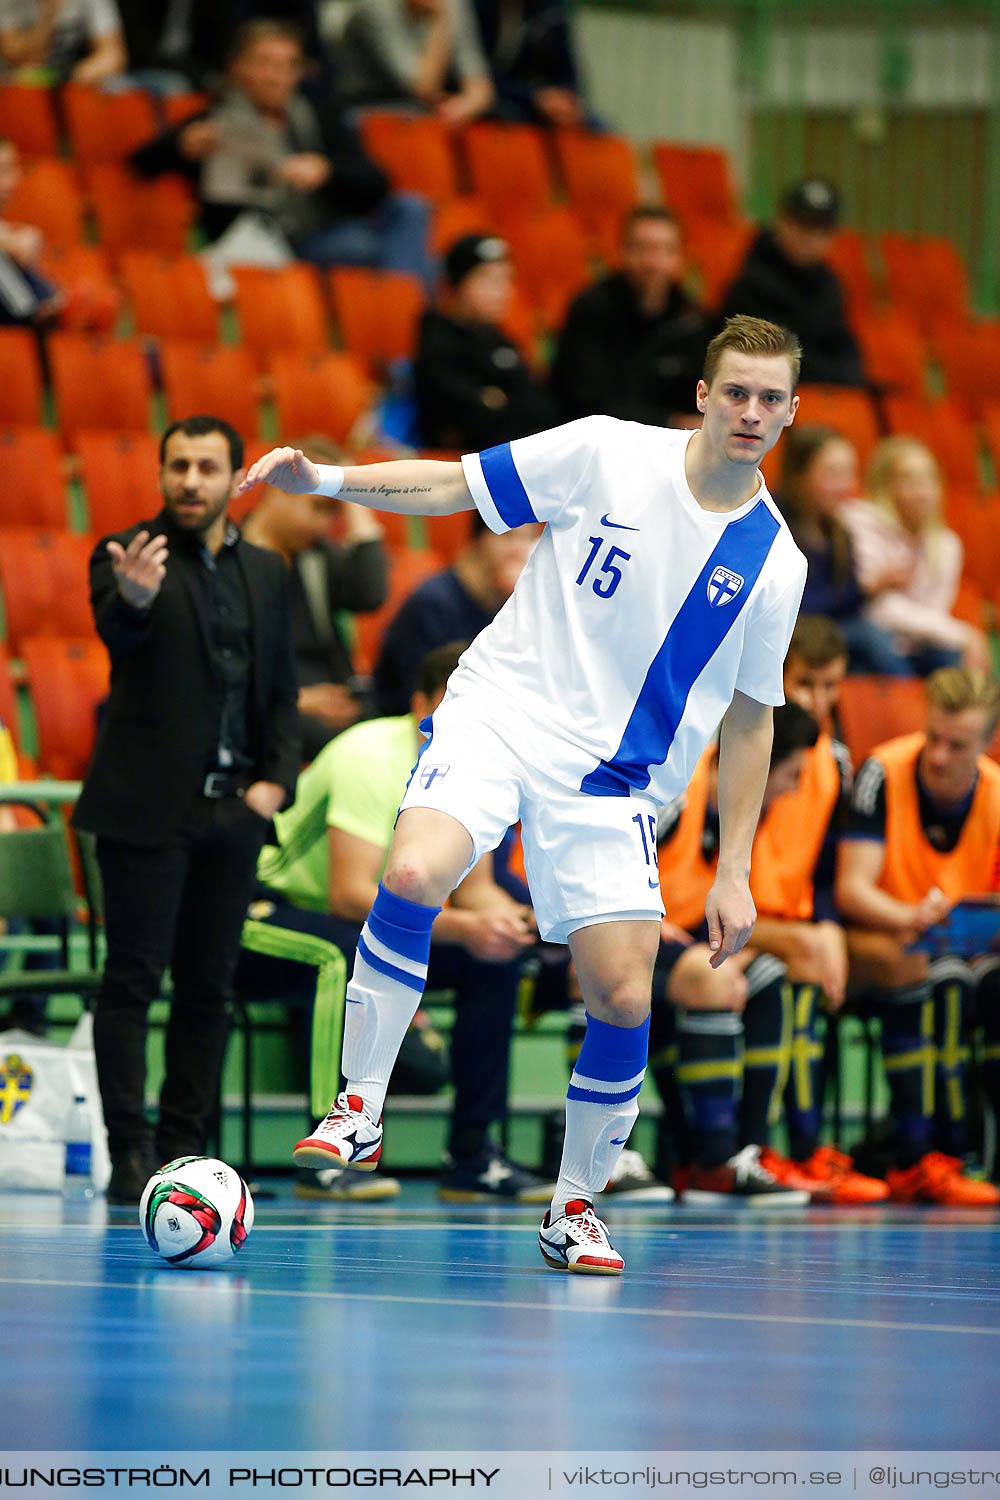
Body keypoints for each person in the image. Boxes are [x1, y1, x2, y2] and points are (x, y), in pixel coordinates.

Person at [241, 312, 808, 1276]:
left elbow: (752, 721)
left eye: (771, 397)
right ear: (705, 396)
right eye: (737, 392)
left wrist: (735, 869)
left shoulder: (774, 562)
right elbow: (455, 482)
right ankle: (358, 1110)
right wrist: (328, 480)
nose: (751, 411)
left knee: (625, 994)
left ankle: (575, 1206)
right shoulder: (605, 451)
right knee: (416, 868)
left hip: (617, 779)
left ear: (791, 412)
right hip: (504, 708)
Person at [71, 415, 301, 1206]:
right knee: (131, 983)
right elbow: (117, 633)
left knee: (209, 988)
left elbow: (282, 695)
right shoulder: (128, 556)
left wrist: (274, 785)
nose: (190, 482)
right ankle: (128, 1155)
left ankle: (182, 1154)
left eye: (207, 467)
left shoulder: (268, 573)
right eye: (177, 466)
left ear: (236, 478)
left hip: (233, 814)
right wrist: (133, 604)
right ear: (162, 473)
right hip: (143, 812)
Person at [240, 640, 550, 1203]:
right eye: (452, 698)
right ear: (419, 704)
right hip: (271, 909)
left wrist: (524, 923)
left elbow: (476, 892)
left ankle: (472, 1156)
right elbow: (349, 895)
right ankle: (328, 1151)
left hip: (375, 919)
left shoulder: (479, 767)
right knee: (338, 953)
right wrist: (464, 928)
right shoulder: (369, 756)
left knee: (494, 962)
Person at [836, 666, 1000, 1206]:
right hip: (876, 942)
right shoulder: (882, 770)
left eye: (957, 745)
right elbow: (852, 889)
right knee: (936, 974)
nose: (938, 755)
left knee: (975, 978)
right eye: (933, 737)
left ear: (984, 743)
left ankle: (970, 1155)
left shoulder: (995, 793)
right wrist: (908, 916)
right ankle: (923, 1155)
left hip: (955, 950)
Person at [656, 701, 822, 1205]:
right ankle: (708, 1158)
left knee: (769, 973)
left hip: (684, 941)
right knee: (717, 981)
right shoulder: (677, 791)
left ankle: (745, 1151)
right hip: (623, 933)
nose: (794, 789)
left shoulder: (746, 817)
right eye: (789, 774)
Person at [130, 20, 432, 287]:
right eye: (265, 63)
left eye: (288, 66)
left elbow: (377, 182)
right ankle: (410, 323)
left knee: (410, 209)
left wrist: (326, 171)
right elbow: (141, 162)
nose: (277, 76)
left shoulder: (317, 115)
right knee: (368, 248)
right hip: (272, 242)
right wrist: (180, 145)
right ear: (238, 67)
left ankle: (407, 316)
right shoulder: (216, 120)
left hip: (329, 222)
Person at [241, 434, 389, 759]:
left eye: (333, 512)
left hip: (338, 705)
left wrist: (352, 489)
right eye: (318, 507)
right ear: (279, 489)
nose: (325, 524)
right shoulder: (231, 561)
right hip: (271, 710)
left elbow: (371, 593)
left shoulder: (314, 557)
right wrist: (300, 699)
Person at [840, 437, 990, 677]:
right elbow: (877, 610)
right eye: (908, 479)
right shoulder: (857, 523)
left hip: (916, 642)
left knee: (952, 659)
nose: (922, 489)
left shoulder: (947, 544)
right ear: (884, 484)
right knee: (878, 644)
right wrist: (964, 635)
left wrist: (958, 638)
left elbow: (934, 611)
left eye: (929, 478)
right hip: (864, 635)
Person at [552, 207, 711, 427]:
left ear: (680, 257)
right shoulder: (591, 310)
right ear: (622, 252)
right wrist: (671, 422)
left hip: (671, 447)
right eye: (643, 249)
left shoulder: (692, 319)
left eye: (666, 250)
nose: (653, 263)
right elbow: (588, 403)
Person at [374, 509, 539, 715]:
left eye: (528, 539)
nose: (519, 551)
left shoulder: (509, 605)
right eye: (508, 537)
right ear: (478, 539)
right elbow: (427, 695)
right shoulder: (433, 603)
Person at [777, 423, 911, 676]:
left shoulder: (839, 528)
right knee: (872, 637)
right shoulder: (775, 519)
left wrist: (869, 589)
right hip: (790, 633)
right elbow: (800, 604)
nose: (846, 485)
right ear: (798, 474)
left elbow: (846, 598)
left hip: (830, 632)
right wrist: (868, 588)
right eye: (832, 473)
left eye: (849, 473)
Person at [414, 232, 557, 451]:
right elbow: (463, 414)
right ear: (458, 283)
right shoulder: (436, 341)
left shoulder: (503, 342)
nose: (501, 291)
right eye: (488, 279)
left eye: (507, 280)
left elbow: (539, 407)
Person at [721, 178, 865, 389]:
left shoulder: (829, 284)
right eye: (803, 225)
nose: (811, 237)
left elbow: (845, 348)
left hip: (821, 396)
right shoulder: (751, 283)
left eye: (821, 229)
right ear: (782, 221)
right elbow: (772, 358)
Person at [339, 0, 494, 127]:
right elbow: (423, 87)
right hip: (374, 103)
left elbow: (480, 84)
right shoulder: (373, 8)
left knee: (500, 118)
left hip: (430, 105)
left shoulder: (454, 4)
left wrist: (464, 107)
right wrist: (439, 21)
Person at [472, 0, 587, 126]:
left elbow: (568, 72)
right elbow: (477, 76)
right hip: (502, 99)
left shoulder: (551, 9)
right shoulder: (475, 7)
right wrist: (534, 97)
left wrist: (566, 99)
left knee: (595, 124)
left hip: (543, 104)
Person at [0, 0, 126, 82]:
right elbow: (22, 61)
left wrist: (70, 76)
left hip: (73, 81)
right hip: (22, 92)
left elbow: (113, 55)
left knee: (119, 85)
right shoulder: (8, 3)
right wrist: (49, 14)